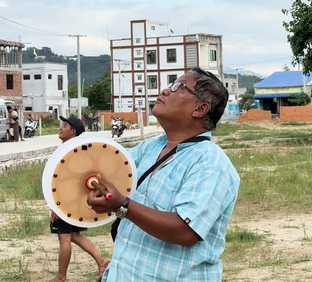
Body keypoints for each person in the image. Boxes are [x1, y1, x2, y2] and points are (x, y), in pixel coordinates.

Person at [87, 68, 240, 281]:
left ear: (200, 108)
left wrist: (121, 206)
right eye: (170, 85)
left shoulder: (210, 161)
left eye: (178, 87)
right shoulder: (151, 147)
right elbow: (108, 171)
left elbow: (185, 232)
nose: (166, 91)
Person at [49, 116, 110, 282]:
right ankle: (101, 261)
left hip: (66, 201)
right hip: (74, 201)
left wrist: (56, 205)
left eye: (65, 125)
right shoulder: (78, 148)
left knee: (64, 238)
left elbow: (64, 180)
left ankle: (61, 277)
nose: (61, 128)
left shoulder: (70, 151)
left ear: (73, 131)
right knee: (74, 235)